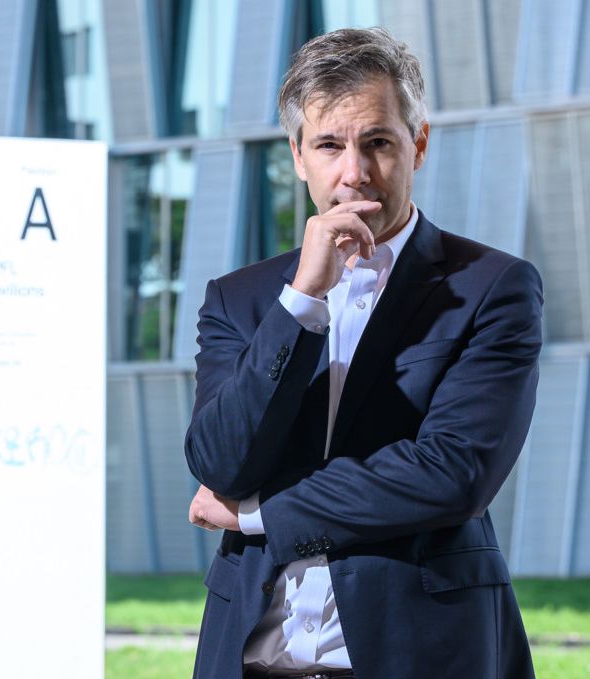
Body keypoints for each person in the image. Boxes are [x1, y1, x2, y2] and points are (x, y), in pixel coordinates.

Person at [182, 27, 541, 679]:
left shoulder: (491, 287)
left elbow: (451, 471)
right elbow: (218, 460)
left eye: (377, 142)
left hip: (417, 654)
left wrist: (259, 512)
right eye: (328, 145)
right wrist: (302, 301)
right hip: (247, 659)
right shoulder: (241, 299)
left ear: (418, 145)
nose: (355, 173)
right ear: (297, 156)